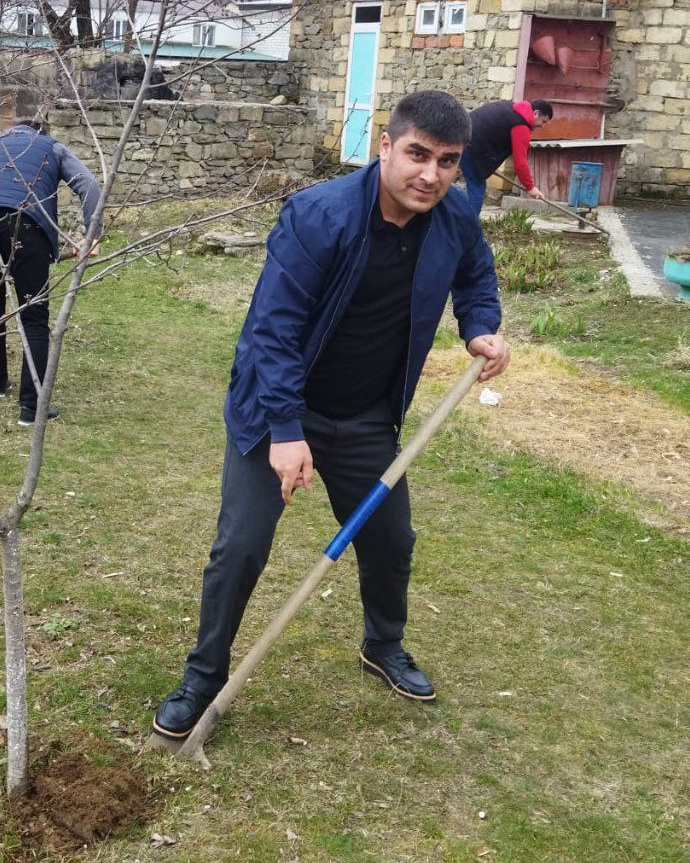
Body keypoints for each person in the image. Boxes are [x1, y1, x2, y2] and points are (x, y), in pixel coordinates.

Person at [151, 89, 511, 744]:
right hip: (276, 411)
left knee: (390, 540)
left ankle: (383, 645)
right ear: (386, 145)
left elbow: (476, 279)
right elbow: (275, 330)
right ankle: (202, 679)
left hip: (366, 417)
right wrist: (286, 432)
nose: (430, 175)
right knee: (241, 547)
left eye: (448, 161)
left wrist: (480, 329)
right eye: (417, 155)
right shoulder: (318, 216)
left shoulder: (455, 217)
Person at [0, 92, 103, 427]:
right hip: (25, 226)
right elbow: (88, 184)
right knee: (33, 317)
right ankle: (29, 408)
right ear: (40, 131)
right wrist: (92, 234)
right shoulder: (50, 147)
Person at [460, 98, 554, 212]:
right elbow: (520, 163)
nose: (543, 126)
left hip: (462, 134)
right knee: (477, 187)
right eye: (543, 121)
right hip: (470, 145)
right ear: (536, 113)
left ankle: (459, 220)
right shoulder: (521, 126)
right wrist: (530, 188)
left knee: (472, 184)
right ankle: (468, 227)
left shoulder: (514, 108)